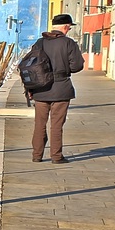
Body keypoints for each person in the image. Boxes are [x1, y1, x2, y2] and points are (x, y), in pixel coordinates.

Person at [30, 13, 84, 164]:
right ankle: (56, 156)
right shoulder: (68, 43)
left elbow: (30, 63)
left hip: (40, 88)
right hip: (61, 87)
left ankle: (37, 155)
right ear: (66, 27)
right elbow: (77, 66)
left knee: (39, 124)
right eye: (69, 28)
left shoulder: (40, 43)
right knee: (57, 125)